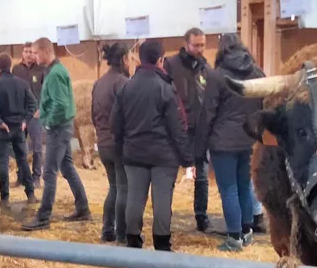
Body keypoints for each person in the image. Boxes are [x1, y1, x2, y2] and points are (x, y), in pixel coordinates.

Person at [113, 40, 192, 251]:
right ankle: (162, 244)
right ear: (160, 60)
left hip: (133, 155)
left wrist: (122, 148)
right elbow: (177, 127)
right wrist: (187, 159)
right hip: (163, 157)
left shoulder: (126, 87)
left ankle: (133, 241)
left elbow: (116, 125)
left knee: (135, 199)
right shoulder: (166, 88)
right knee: (162, 200)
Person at [199, 34, 265, 252]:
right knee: (244, 186)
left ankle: (234, 238)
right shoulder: (256, 72)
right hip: (249, 139)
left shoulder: (217, 76)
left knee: (228, 189)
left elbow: (208, 112)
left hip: (223, 142)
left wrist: (199, 144)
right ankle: (247, 232)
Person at [22, 38, 91, 231]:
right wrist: (42, 112)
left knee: (49, 172)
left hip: (58, 128)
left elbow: (60, 104)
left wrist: (49, 123)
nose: (34, 57)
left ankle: (43, 217)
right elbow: (54, 101)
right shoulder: (54, 71)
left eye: (35, 53)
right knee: (67, 167)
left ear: (44, 51)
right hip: (61, 126)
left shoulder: (56, 73)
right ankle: (83, 208)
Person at [164, 27, 211, 232]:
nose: (199, 49)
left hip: (200, 130)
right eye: (196, 45)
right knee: (170, 174)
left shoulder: (205, 67)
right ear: (186, 44)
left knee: (201, 176)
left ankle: (202, 217)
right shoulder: (171, 64)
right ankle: (164, 216)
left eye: (202, 45)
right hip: (178, 129)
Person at [0, 53, 37, 208]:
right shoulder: (22, 83)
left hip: (2, 130)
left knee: (3, 163)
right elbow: (33, 103)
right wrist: (25, 120)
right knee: (23, 161)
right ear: (10, 65)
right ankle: (31, 194)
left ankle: (4, 198)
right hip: (19, 128)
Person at [91, 42, 130, 243]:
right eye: (130, 58)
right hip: (119, 143)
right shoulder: (123, 82)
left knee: (114, 187)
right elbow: (128, 115)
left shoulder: (98, 83)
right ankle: (122, 234)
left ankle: (107, 229)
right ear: (124, 59)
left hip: (103, 143)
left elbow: (92, 114)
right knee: (123, 188)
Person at [12, 42, 46, 188]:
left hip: (36, 114)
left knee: (37, 147)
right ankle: (21, 177)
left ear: (35, 53)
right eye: (26, 51)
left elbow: (46, 91)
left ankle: (36, 177)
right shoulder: (16, 69)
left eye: (31, 52)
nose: (28, 54)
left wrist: (41, 109)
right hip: (19, 113)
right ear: (22, 53)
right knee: (19, 146)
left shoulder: (42, 69)